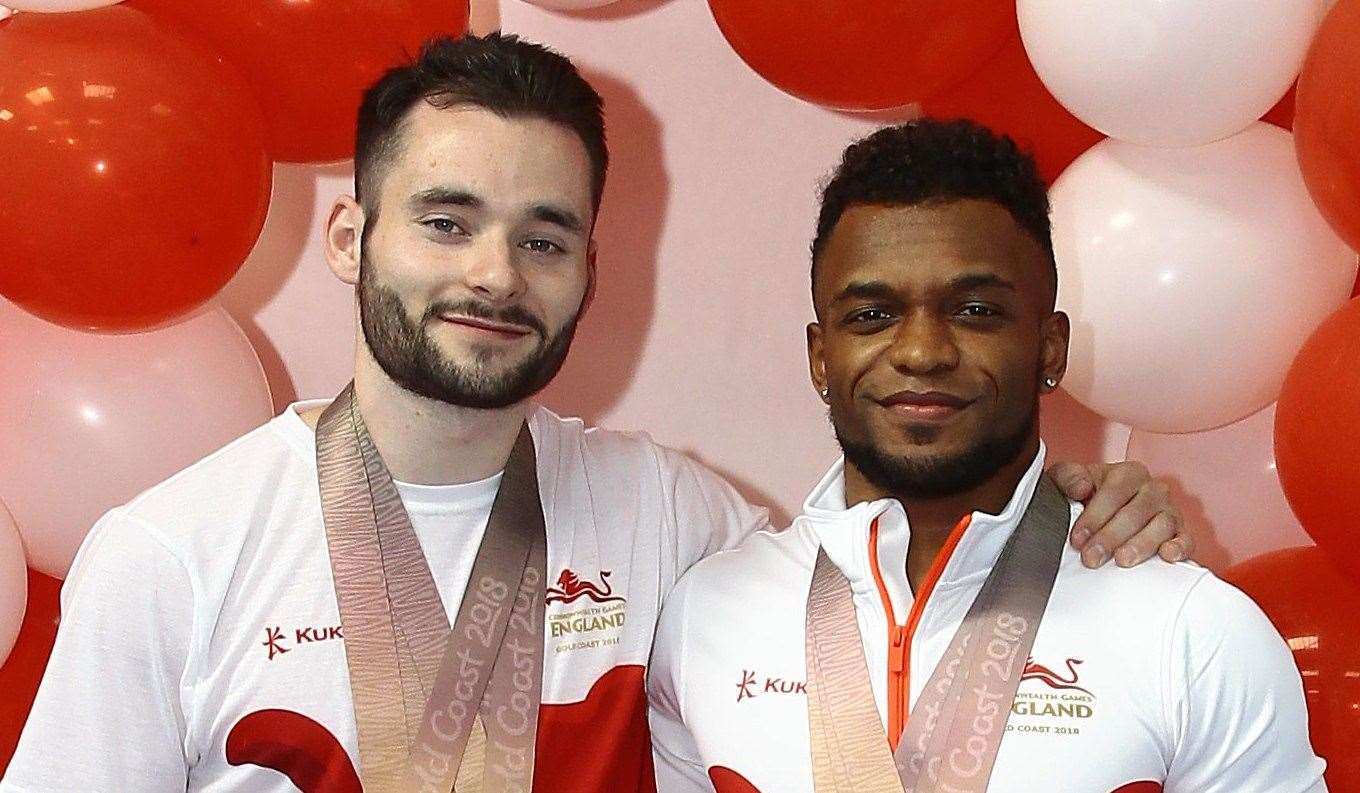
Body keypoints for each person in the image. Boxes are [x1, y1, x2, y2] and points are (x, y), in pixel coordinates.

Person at [2, 38, 1185, 793]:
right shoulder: (171, 555)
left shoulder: (668, 514)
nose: (496, 276)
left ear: (587, 269)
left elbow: (888, 591)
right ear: (351, 239)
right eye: (447, 220)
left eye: (543, 237)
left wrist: (1070, 514)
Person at [647, 119, 1325, 793]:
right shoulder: (707, 617)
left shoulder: (1192, 631)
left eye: (974, 310)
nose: (921, 351)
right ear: (821, 359)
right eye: (871, 315)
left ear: (1050, 349)